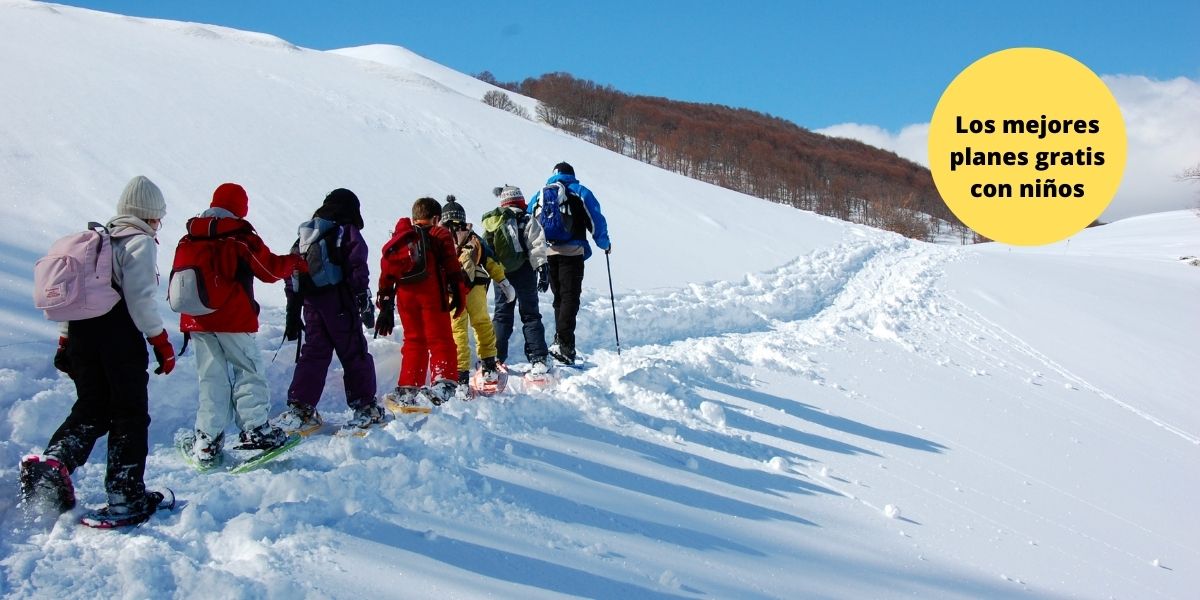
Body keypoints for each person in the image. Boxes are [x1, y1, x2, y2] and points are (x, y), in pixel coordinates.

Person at [19, 175, 177, 518]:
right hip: (118, 337)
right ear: (150, 215)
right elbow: (140, 299)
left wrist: (65, 339)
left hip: (81, 335)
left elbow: (74, 298)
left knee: (92, 406)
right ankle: (125, 495)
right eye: (159, 217)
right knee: (129, 414)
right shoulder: (139, 242)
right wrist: (159, 340)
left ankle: (56, 461)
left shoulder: (94, 242)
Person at [178, 182, 306, 464]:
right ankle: (256, 431)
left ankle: (207, 441)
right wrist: (294, 263)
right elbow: (268, 269)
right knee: (248, 372)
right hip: (233, 318)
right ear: (240, 207)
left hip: (197, 319)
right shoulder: (238, 235)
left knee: (211, 378)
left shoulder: (191, 235)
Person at [278, 188, 382, 432]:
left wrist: (293, 310)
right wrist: (362, 297)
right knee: (353, 351)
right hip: (339, 301)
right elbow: (357, 264)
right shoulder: (345, 230)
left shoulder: (307, 233)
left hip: (311, 304)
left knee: (314, 352)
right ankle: (364, 406)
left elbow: (291, 270)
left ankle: (301, 408)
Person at [375, 197, 468, 408]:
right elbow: (452, 266)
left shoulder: (400, 238)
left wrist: (385, 304)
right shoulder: (440, 233)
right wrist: (459, 293)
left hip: (405, 298)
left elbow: (386, 273)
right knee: (440, 339)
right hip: (432, 294)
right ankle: (444, 383)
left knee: (413, 340)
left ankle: (409, 387)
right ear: (436, 218)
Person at [527, 162, 611, 365]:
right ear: (572, 175)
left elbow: (528, 219)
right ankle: (563, 344)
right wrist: (604, 243)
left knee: (559, 298)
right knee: (570, 297)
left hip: (548, 252)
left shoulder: (540, 194)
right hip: (572, 252)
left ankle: (563, 344)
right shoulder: (579, 191)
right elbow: (595, 219)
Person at [440, 196, 516, 396]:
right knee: (482, 325)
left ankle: (461, 379)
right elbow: (490, 260)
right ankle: (489, 368)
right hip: (476, 288)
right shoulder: (473, 237)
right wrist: (503, 281)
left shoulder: (438, 237)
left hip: (452, 293)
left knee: (458, 333)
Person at [480, 185, 551, 374]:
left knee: (502, 315)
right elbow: (536, 244)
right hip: (525, 271)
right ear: (520, 200)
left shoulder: (494, 222)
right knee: (530, 314)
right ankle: (539, 359)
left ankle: (494, 358)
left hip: (501, 274)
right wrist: (542, 267)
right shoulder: (526, 219)